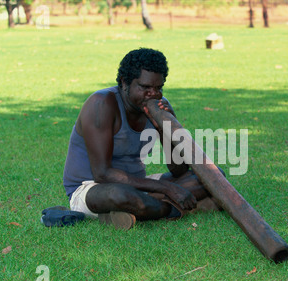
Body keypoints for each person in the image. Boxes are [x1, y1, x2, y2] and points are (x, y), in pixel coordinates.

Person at [63, 48, 221, 230]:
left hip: (139, 184)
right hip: (93, 188)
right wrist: (167, 189)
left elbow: (178, 170)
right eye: (145, 87)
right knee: (120, 195)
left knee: (213, 176)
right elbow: (103, 174)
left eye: (158, 88)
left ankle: (134, 211)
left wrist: (165, 128)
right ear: (124, 82)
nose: (153, 94)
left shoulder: (158, 106)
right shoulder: (102, 104)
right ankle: (176, 209)